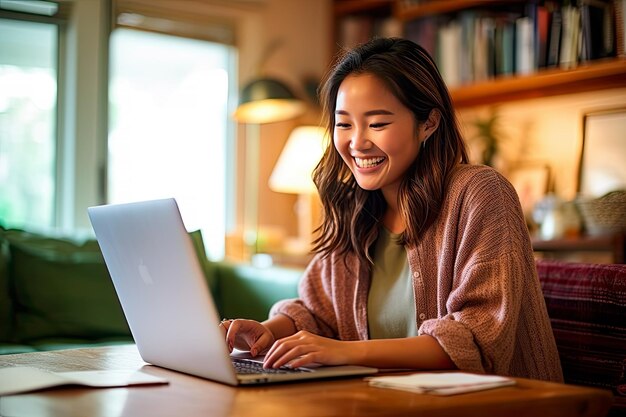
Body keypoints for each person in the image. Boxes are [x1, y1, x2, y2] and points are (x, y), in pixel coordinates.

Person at [222, 37, 563, 382]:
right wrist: (268, 332)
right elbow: (318, 312)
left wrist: (343, 352)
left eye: (377, 124)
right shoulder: (353, 206)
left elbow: (476, 340)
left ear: (428, 123)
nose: (357, 143)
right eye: (344, 124)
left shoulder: (479, 193)